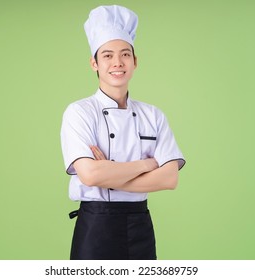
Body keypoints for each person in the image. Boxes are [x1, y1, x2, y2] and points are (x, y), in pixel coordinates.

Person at [60, 5, 186, 260]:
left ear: (135, 61)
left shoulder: (154, 115)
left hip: (139, 225)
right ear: (94, 63)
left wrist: (109, 172)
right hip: (95, 226)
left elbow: (169, 179)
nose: (117, 62)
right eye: (107, 55)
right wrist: (147, 164)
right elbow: (91, 174)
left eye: (125, 54)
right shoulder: (79, 112)